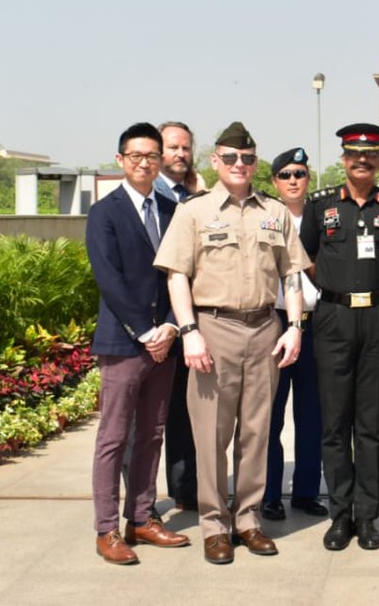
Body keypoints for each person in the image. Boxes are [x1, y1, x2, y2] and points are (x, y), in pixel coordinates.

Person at [154, 121, 309, 565]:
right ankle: (214, 525)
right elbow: (177, 275)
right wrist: (189, 332)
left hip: (264, 329)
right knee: (211, 435)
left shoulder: (274, 212)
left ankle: (248, 519)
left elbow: (291, 274)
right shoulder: (194, 212)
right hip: (213, 330)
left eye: (247, 158)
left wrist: (295, 326)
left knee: (258, 433)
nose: (240, 165)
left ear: (255, 163)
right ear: (215, 162)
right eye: (231, 158)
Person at [301, 123, 379, 552]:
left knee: (370, 424)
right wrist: (335, 287)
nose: (362, 160)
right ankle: (339, 516)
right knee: (334, 424)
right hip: (332, 319)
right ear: (344, 158)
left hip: (377, 318)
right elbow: (307, 258)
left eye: (370, 155)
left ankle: (367, 516)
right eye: (354, 154)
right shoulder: (320, 206)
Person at [87, 122, 189, 565]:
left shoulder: (172, 208)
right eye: (135, 156)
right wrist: (145, 331)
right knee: (114, 437)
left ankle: (142, 518)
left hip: (163, 343)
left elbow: (181, 273)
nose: (144, 163)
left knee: (151, 433)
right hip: (124, 342)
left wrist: (169, 326)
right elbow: (108, 278)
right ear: (120, 160)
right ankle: (107, 528)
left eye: (151, 156)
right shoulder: (104, 212)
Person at [261, 148, 327, 522]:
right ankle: (270, 493)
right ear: (274, 181)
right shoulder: (263, 217)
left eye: (299, 173)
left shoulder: (322, 216)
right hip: (273, 323)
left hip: (316, 325)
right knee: (270, 415)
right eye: (285, 174)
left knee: (312, 414)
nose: (292, 180)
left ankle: (305, 491)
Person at [153, 121, 201, 512]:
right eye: (173, 147)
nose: (180, 154)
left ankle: (186, 490)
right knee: (146, 424)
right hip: (148, 327)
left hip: (185, 322)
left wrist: (178, 322)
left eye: (186, 147)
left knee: (185, 416)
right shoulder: (147, 198)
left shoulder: (194, 199)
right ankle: (141, 506)